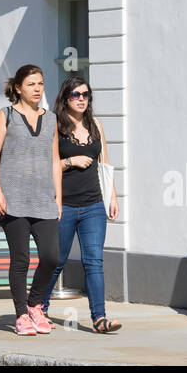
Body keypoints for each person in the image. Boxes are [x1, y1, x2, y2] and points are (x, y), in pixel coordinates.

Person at [40, 74, 122, 334]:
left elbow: (104, 164)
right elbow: (46, 164)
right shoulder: (54, 126)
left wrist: (112, 196)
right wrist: (69, 162)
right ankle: (38, 309)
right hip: (64, 205)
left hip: (93, 205)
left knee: (94, 261)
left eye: (86, 95)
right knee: (56, 260)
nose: (82, 99)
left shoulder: (96, 125)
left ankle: (99, 318)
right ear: (65, 98)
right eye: (76, 95)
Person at [0, 64, 61, 336]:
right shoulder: (5, 115)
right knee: (21, 259)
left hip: (44, 200)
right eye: (31, 84)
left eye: (40, 84)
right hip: (13, 200)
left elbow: (54, 161)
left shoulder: (50, 119)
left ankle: (34, 304)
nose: (38, 89)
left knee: (52, 257)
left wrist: (58, 197)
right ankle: (21, 315)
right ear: (18, 88)